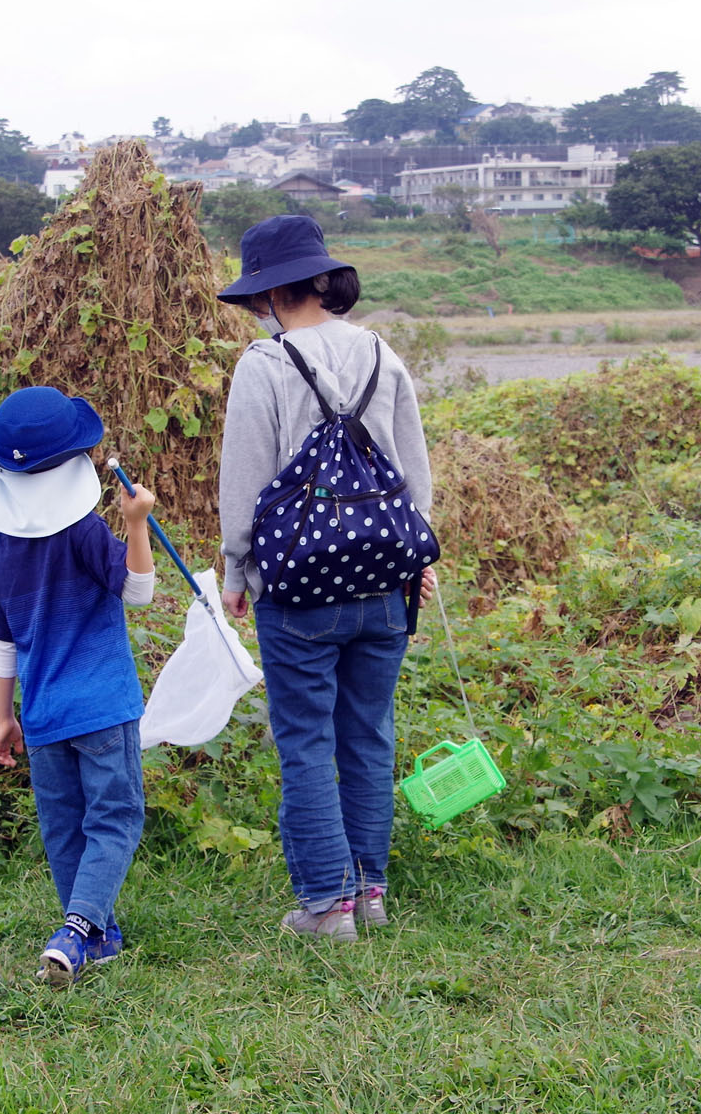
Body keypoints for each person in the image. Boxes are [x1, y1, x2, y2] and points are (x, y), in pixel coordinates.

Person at [215, 214, 436, 942]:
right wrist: (415, 560)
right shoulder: (382, 354)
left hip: (298, 587)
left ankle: (326, 906)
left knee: (306, 739)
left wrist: (236, 569)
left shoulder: (265, 364)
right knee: (368, 734)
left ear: (275, 294)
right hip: (383, 583)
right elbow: (413, 476)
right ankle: (369, 891)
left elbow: (245, 479)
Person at [0, 385, 157, 984]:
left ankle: (99, 937)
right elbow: (139, 592)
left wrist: (4, 717)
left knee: (65, 829)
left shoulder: (0, 551)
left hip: (42, 716)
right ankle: (75, 933)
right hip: (102, 709)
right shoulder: (84, 534)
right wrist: (138, 525)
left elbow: (4, 645)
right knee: (115, 820)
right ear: (73, 463)